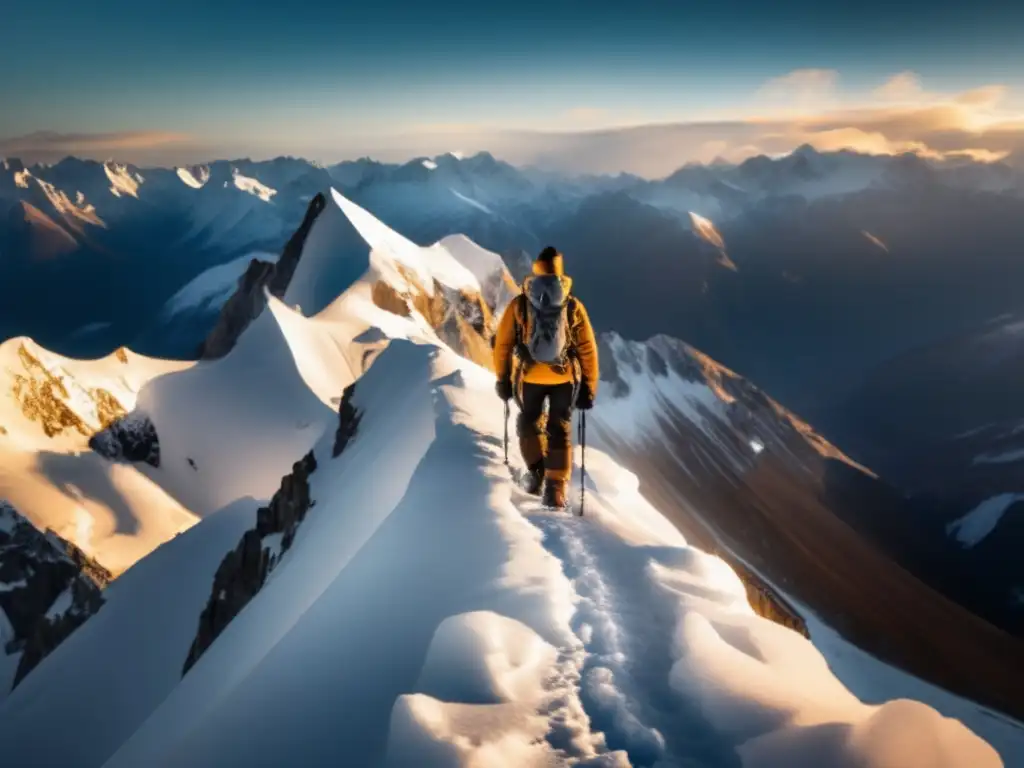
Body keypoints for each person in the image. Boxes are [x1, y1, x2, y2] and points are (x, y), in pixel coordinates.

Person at [493, 246, 599, 508]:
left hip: (530, 377)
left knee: (529, 421)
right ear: (560, 270)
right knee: (559, 428)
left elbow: (503, 344)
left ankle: (537, 472)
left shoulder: (521, 303)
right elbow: (587, 348)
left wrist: (503, 379)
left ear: (536, 270)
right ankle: (556, 487)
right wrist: (588, 386)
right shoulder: (571, 305)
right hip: (564, 378)